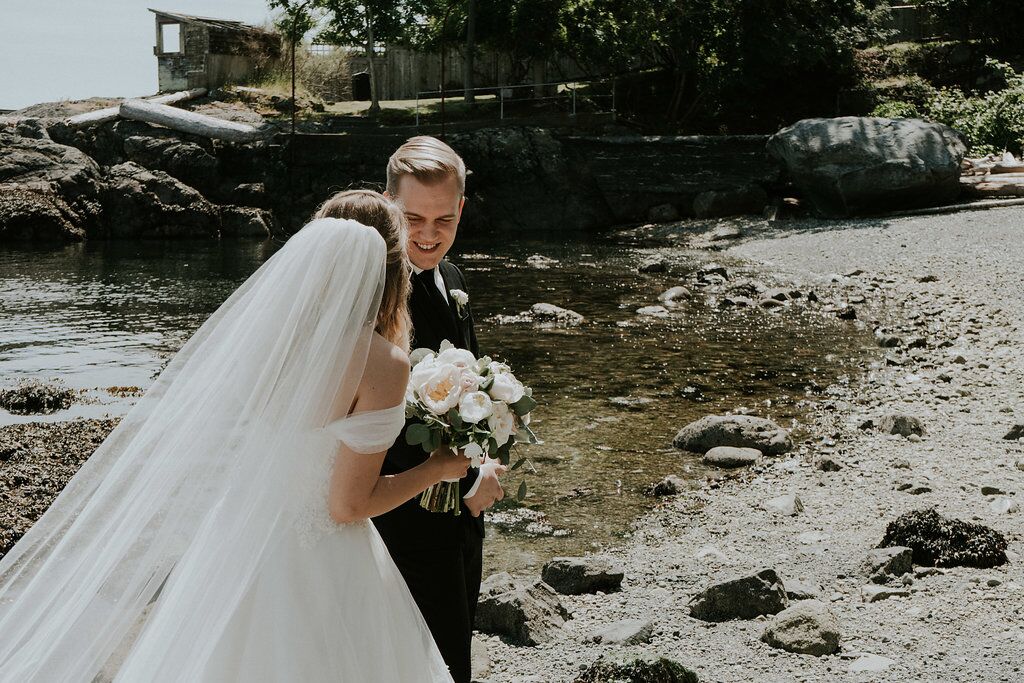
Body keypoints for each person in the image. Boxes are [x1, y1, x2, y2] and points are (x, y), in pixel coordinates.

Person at [0, 190, 464, 682]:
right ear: (390, 271)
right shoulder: (382, 364)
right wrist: (436, 468)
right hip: (323, 559)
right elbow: (346, 505)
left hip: (236, 540)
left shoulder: (267, 342)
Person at [373, 135, 505, 683]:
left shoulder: (453, 278)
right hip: (394, 523)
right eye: (412, 219)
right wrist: (441, 474)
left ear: (461, 209)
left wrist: (485, 463)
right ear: (386, 205)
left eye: (443, 220)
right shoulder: (372, 294)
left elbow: (465, 384)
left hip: (460, 513)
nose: (428, 236)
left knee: (453, 653)